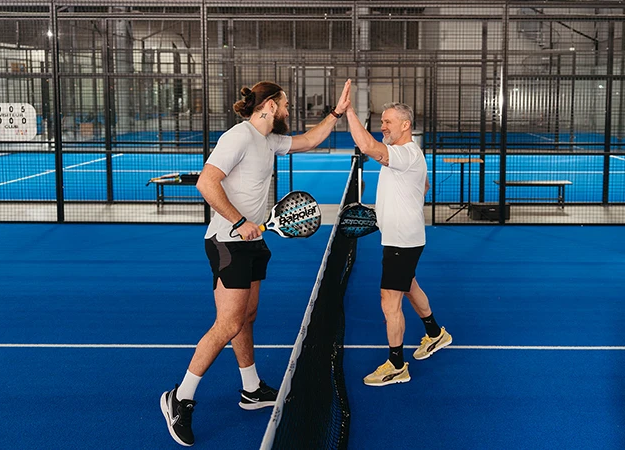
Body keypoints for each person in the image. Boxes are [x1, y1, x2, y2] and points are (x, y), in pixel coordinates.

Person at [161, 79, 351, 446]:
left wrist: (337, 113)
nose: (288, 110)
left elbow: (309, 141)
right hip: (228, 242)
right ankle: (179, 397)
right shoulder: (239, 137)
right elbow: (206, 182)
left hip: (254, 242)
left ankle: (251, 389)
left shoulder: (268, 140)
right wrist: (237, 221)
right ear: (268, 106)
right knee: (229, 322)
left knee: (247, 317)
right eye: (285, 104)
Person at [344, 93, 452, 387]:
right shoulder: (410, 155)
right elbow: (423, 185)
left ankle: (396, 365)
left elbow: (367, 146)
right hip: (402, 237)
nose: (383, 126)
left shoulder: (404, 154)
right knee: (408, 286)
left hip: (403, 242)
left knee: (388, 301)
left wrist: (349, 111)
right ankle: (435, 333)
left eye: (388, 122)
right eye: (382, 122)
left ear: (406, 125)